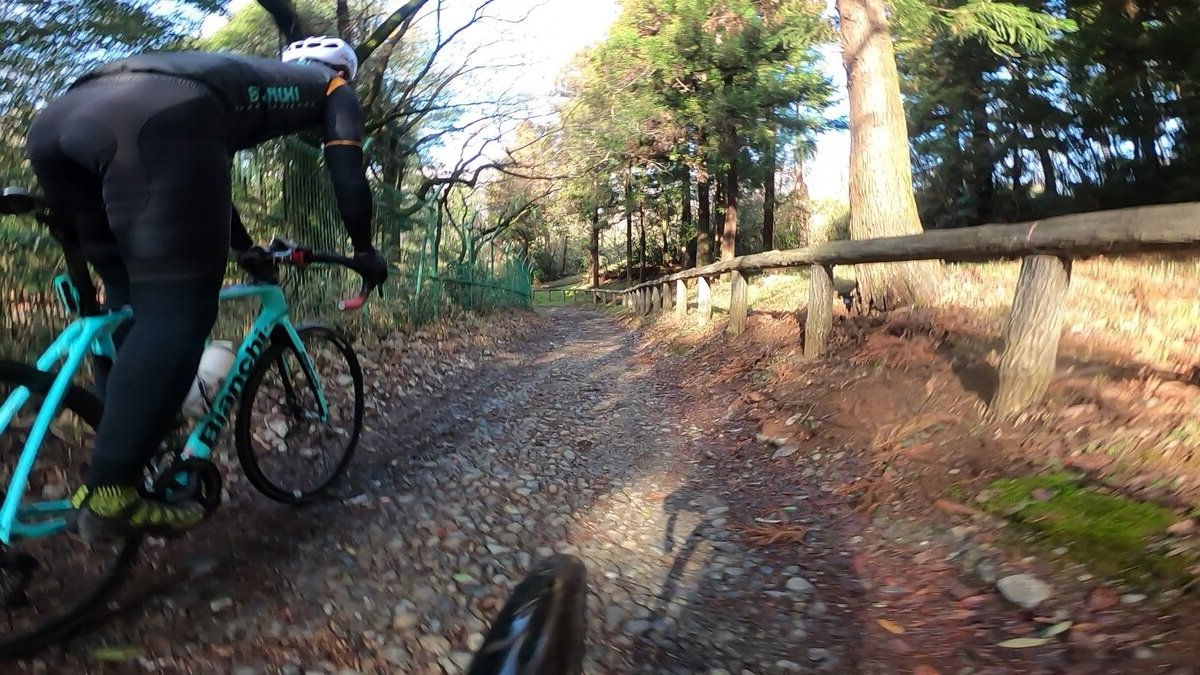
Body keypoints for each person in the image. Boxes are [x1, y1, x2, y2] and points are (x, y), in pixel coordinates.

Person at [23, 36, 388, 543]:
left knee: (127, 300)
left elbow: (197, 172)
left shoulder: (233, 73)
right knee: (178, 312)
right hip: (157, 120)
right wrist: (366, 250)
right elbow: (347, 173)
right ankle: (110, 493)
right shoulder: (332, 88)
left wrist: (242, 248)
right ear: (343, 71)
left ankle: (132, 435)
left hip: (61, 120)